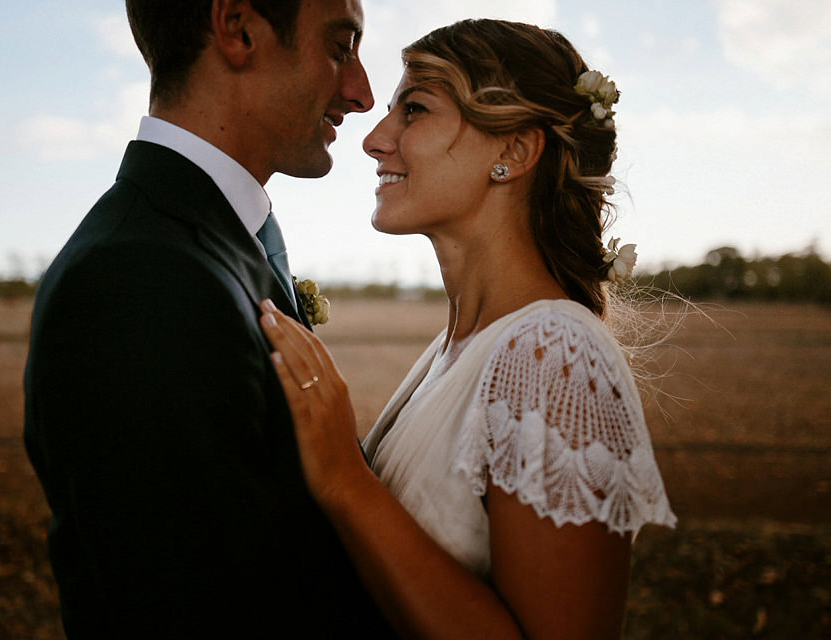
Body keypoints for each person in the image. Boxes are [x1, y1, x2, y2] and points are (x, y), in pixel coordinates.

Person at [259, 19, 677, 639]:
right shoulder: (456, 349)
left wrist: (346, 479)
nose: (375, 139)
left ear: (512, 152)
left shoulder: (555, 356)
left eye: (415, 109)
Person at [23, 1, 396, 637]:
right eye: (340, 46)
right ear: (238, 29)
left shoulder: (204, 240)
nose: (361, 94)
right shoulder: (136, 280)